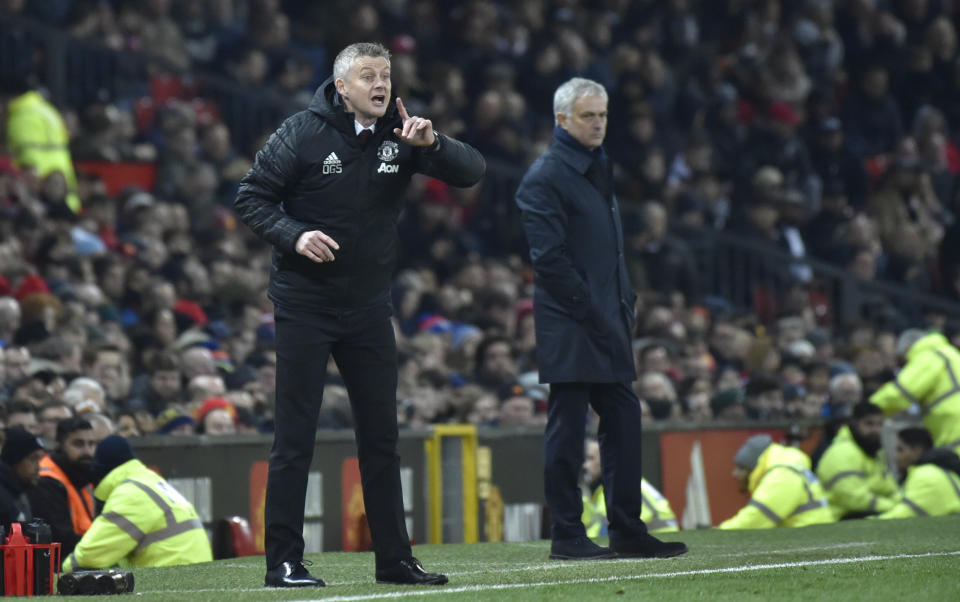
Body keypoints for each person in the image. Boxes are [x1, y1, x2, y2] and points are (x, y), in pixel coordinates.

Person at [234, 41, 484, 588]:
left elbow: (472, 171)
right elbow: (251, 196)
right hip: (305, 305)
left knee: (381, 438)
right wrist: (294, 235)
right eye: (368, 75)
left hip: (369, 307)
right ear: (342, 87)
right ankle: (283, 563)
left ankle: (394, 560)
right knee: (295, 436)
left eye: (386, 75)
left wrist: (434, 143)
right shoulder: (302, 131)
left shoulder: (405, 131)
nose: (381, 84)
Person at [514, 77, 686, 560]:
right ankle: (567, 534)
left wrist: (622, 301)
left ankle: (626, 529)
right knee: (568, 426)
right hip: (573, 321)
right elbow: (548, 259)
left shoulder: (594, 167)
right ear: (562, 119)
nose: (598, 124)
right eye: (588, 116)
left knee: (623, 418)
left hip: (605, 317)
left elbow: (608, 248)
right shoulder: (545, 176)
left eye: (603, 115)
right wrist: (591, 310)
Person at [62, 435, 212, 571]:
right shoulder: (149, 480)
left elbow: (89, 556)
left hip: (172, 579)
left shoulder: (130, 494)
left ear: (101, 474)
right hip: (193, 573)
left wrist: (63, 569)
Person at [870, 330, 960, 457]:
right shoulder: (951, 353)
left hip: (953, 433)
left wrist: (868, 410)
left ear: (908, 349)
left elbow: (898, 394)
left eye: (903, 362)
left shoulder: (928, 356)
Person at [718, 434, 834, 529]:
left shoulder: (782, 475)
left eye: (740, 468)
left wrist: (718, 532)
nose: (735, 473)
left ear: (751, 466)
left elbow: (756, 519)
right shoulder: (787, 466)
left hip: (810, 535)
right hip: (814, 532)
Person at [816, 401, 899, 519]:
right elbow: (851, 498)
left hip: (863, 513)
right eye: (869, 424)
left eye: (879, 424)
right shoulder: (842, 452)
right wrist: (892, 506)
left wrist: (901, 502)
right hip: (840, 517)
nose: (875, 430)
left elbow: (888, 486)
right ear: (854, 424)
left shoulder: (871, 451)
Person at [27, 417, 97, 555]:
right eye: (78, 444)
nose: (87, 451)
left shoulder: (83, 475)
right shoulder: (46, 480)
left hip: (82, 553)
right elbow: (61, 538)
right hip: (62, 561)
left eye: (91, 444)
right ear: (59, 445)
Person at [581, 439, 678, 536]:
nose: (584, 466)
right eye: (583, 459)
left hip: (660, 535)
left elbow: (605, 530)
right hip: (656, 534)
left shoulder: (617, 487)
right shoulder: (615, 483)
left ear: (606, 459)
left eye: (591, 458)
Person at [878, 427, 960, 519]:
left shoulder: (924, 474)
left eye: (900, 450)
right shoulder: (941, 470)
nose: (896, 457)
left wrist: (871, 520)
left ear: (916, 450)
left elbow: (904, 513)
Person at [0, 427, 46, 528]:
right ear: (14, 460)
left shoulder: (20, 490)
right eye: (33, 459)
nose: (38, 467)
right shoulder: (4, 497)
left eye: (40, 459)